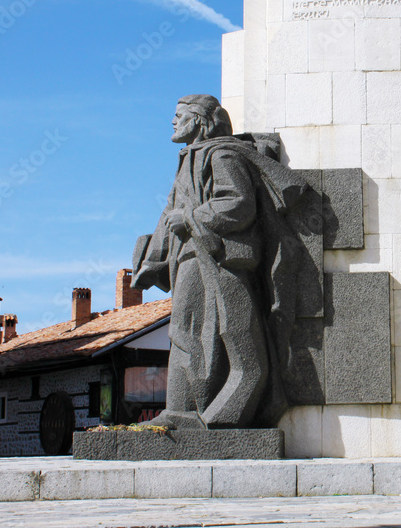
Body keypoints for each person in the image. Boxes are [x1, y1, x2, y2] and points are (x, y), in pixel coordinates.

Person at [132, 94, 313, 429]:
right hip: (191, 256)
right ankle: (182, 410)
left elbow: (239, 202)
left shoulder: (222, 153)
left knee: (228, 333)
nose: (173, 121)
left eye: (179, 114)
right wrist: (152, 261)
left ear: (199, 120)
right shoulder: (189, 158)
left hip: (216, 256)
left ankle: (209, 412)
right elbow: (168, 215)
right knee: (186, 332)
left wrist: (192, 218)